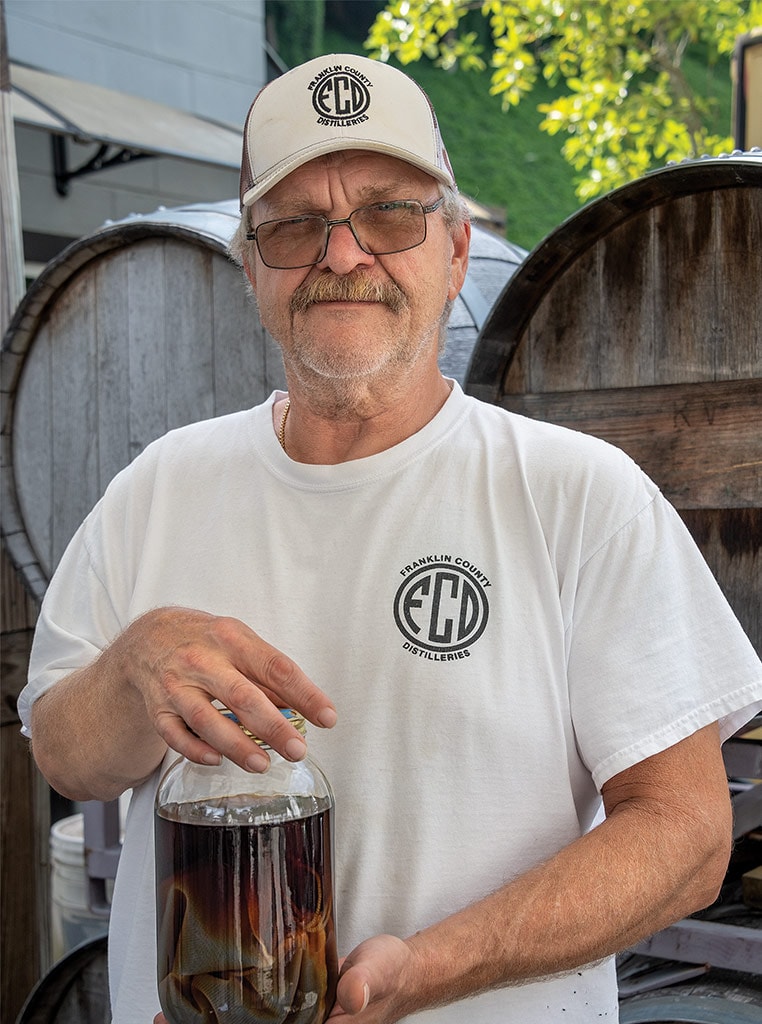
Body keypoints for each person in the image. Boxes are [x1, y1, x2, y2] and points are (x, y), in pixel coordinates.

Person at [18, 52, 762, 1024]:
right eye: (293, 224)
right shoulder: (159, 485)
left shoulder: (576, 494)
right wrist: (132, 670)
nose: (341, 256)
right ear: (251, 267)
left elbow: (689, 835)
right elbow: (66, 757)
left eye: (389, 213)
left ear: (455, 252)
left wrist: (428, 969)